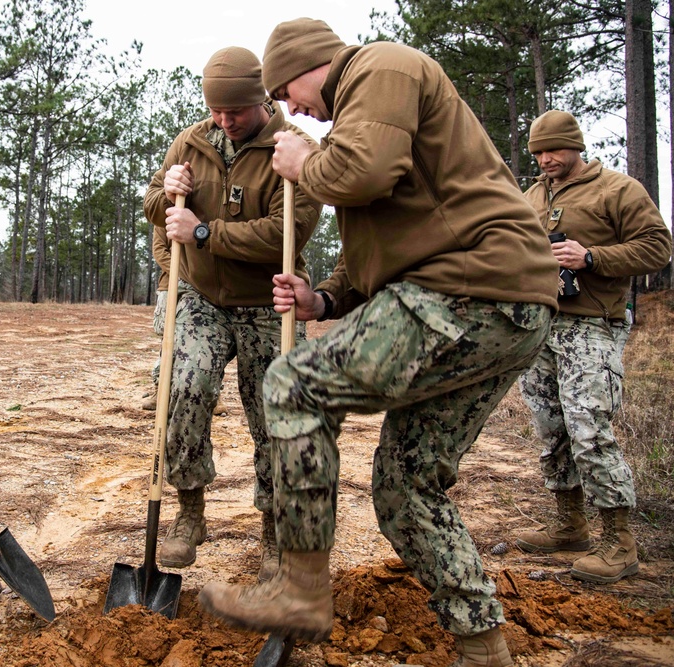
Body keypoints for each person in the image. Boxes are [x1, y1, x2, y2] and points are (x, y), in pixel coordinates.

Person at [196, 18, 561, 667]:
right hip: (501, 306)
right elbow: (377, 248)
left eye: (286, 91)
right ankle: (482, 644)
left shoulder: (381, 67)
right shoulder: (362, 124)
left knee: (292, 382)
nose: (289, 110)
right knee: (405, 488)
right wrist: (324, 300)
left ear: (312, 63)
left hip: (469, 290)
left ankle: (301, 587)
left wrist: (305, 161)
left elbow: (361, 174)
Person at [143, 46, 322, 580]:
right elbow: (156, 204)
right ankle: (189, 509)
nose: (224, 121)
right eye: (216, 110)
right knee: (184, 387)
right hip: (199, 295)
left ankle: (273, 532)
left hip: (270, 301)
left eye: (235, 112)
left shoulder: (297, 150)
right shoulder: (193, 141)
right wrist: (167, 195)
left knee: (274, 417)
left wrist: (203, 231)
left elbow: (282, 234)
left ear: (263, 100)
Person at [514, 110, 671, 584]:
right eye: (538, 153)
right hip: (541, 325)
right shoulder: (531, 196)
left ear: (576, 146)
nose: (546, 160)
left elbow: (658, 246)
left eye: (554, 150)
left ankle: (620, 542)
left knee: (589, 427)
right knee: (551, 428)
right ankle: (569, 525)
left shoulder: (617, 190)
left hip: (592, 327)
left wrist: (592, 257)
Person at [142, 226, 228, 416]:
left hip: (206, 289)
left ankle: (214, 393)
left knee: (208, 344)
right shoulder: (164, 217)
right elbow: (159, 251)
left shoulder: (206, 214)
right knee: (168, 340)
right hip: (172, 285)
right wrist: (187, 273)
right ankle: (161, 389)